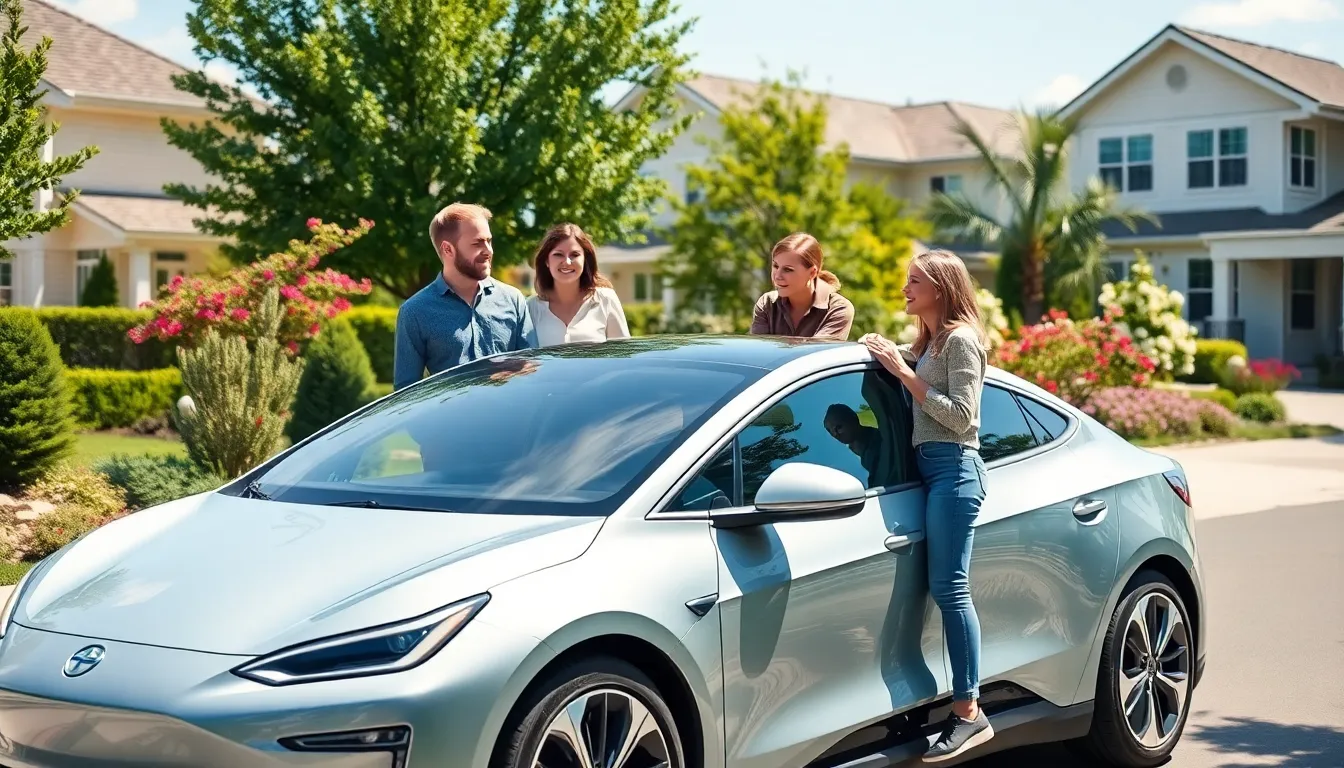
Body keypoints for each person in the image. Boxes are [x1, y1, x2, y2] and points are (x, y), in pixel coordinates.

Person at [859, 249, 992, 763]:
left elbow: (963, 417)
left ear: (941, 287)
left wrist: (905, 372)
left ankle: (968, 713)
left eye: (914, 281)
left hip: (956, 470)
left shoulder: (961, 340)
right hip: (928, 470)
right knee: (934, 586)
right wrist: (889, 355)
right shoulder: (931, 342)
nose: (904, 288)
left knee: (951, 588)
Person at [393, 202, 536, 391]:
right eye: (477, 243)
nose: (489, 251)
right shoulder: (414, 312)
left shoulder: (513, 300)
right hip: (450, 420)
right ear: (447, 249)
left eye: (489, 241)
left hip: (510, 417)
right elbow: (406, 392)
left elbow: (533, 369)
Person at [525, 223, 630, 347]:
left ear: (585, 259)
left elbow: (623, 355)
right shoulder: (530, 308)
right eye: (558, 254)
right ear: (547, 261)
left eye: (575, 255)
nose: (567, 262)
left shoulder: (605, 299)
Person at [749, 232, 854, 340]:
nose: (777, 276)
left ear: (812, 273)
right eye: (775, 266)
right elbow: (758, 352)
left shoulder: (838, 308)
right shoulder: (767, 303)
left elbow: (815, 353)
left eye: (788, 269)